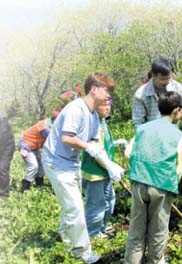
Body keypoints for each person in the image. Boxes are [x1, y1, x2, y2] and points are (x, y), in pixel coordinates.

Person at [42, 73, 124, 264]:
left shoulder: (94, 115)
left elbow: (95, 144)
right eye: (107, 92)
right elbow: (67, 138)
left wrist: (110, 165)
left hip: (72, 162)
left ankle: (66, 236)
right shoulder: (76, 109)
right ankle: (83, 252)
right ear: (94, 89)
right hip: (56, 161)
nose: (108, 97)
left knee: (72, 202)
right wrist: (88, 147)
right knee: (76, 207)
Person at [125, 91, 182, 264]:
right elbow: (179, 166)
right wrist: (172, 187)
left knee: (136, 230)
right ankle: (155, 261)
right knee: (158, 230)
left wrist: (137, 171)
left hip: (139, 183)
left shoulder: (143, 128)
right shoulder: (177, 135)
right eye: (181, 110)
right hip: (162, 186)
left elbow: (128, 153)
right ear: (176, 110)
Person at [81, 99, 127, 238]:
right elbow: (96, 151)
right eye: (104, 105)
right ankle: (93, 233)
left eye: (109, 105)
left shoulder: (103, 121)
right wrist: (111, 166)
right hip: (94, 173)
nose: (107, 108)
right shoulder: (93, 123)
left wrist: (114, 144)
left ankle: (102, 226)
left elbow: (104, 144)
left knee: (109, 200)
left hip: (104, 171)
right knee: (96, 204)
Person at [132, 57, 182, 129]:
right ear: (153, 75)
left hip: (176, 133)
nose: (166, 82)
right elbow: (138, 123)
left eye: (168, 78)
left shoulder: (177, 88)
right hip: (152, 136)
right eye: (162, 79)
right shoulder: (141, 94)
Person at [18, 112, 59, 192]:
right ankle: (25, 187)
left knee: (41, 164)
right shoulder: (44, 128)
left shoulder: (49, 123)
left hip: (34, 146)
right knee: (33, 166)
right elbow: (51, 142)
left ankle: (39, 184)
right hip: (26, 145)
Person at [0, 112, 15, 198]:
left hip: (6, 148)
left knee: (2, 169)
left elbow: (2, 139)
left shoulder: (2, 120)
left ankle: (3, 193)